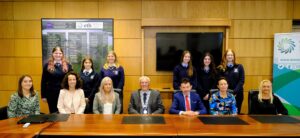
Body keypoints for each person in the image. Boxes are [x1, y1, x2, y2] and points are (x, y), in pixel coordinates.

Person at [41, 46, 72, 113]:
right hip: (51, 94)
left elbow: (71, 80)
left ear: (62, 54)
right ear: (52, 54)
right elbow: (43, 81)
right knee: (53, 113)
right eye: (56, 53)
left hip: (64, 93)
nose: (58, 55)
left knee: (64, 113)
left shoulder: (68, 66)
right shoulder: (47, 65)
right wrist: (43, 95)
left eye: (60, 53)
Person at [217, 49, 244, 114]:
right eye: (228, 55)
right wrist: (228, 93)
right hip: (224, 94)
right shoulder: (221, 68)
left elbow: (241, 80)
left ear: (234, 56)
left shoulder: (239, 67)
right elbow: (220, 82)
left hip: (238, 94)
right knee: (224, 112)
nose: (230, 56)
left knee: (236, 113)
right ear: (225, 56)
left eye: (231, 55)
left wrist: (234, 92)